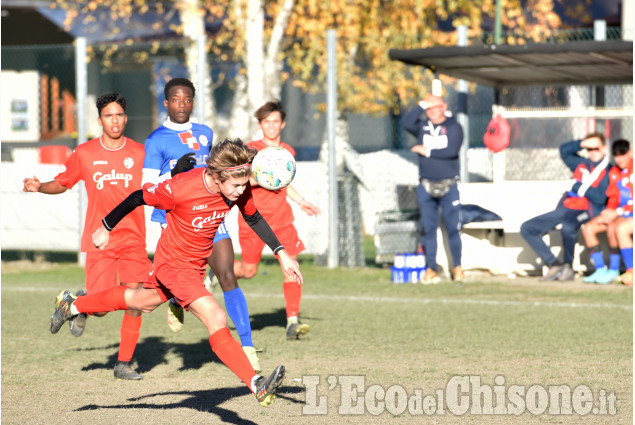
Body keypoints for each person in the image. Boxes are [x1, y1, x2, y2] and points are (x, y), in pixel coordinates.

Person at [50, 138, 298, 407]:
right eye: (236, 185)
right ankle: (256, 384)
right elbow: (138, 196)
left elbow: (253, 217)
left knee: (138, 301)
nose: (242, 190)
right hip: (173, 266)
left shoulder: (237, 186)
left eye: (243, 184)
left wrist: (281, 252)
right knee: (215, 316)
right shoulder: (181, 188)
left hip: (194, 266)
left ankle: (73, 306)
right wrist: (106, 227)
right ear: (216, 177)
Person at [24, 92, 151, 380]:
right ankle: (75, 301)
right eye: (109, 116)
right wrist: (39, 186)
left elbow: (159, 184)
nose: (114, 120)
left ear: (126, 118)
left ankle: (123, 364)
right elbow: (62, 183)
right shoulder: (85, 153)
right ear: (99, 120)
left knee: (137, 299)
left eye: (119, 115)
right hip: (100, 239)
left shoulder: (140, 153)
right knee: (102, 307)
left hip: (133, 238)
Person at [142, 78, 260, 371]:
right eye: (176, 100)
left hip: (209, 213)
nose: (182, 105)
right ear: (166, 103)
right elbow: (146, 187)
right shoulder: (155, 140)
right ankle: (174, 299)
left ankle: (247, 346)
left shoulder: (205, 132)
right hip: (174, 218)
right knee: (158, 292)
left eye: (187, 100)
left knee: (227, 274)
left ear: (193, 102)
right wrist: (174, 173)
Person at [233, 100, 320, 340]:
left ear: (283, 124)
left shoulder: (288, 152)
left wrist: (301, 201)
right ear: (260, 124)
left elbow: (284, 182)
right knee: (248, 271)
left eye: (275, 121)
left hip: (281, 220)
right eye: (266, 122)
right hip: (253, 220)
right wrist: (260, 179)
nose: (271, 126)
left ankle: (292, 321)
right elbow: (239, 182)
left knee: (291, 267)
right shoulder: (250, 150)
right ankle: (216, 273)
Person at [521, 132, 610, 281]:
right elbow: (564, 151)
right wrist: (582, 143)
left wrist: (576, 186)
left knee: (568, 227)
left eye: (596, 148)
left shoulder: (608, 170)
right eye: (590, 149)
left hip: (587, 209)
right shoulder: (582, 164)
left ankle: (568, 266)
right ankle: (554, 264)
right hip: (567, 207)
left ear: (604, 148)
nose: (593, 152)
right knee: (527, 228)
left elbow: (600, 198)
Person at [402, 94, 464, 284]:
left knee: (453, 228)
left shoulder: (454, 127)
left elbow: (452, 151)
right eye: (429, 109)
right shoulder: (422, 126)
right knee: (429, 229)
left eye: (435, 107)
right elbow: (406, 122)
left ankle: (457, 267)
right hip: (426, 185)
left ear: (444, 107)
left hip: (448, 185)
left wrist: (427, 151)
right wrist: (421, 104)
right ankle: (431, 269)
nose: (432, 111)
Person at [582, 139, 632, 284]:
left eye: (623, 154)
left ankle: (629, 271)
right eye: (616, 155)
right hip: (620, 213)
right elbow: (613, 197)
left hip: (628, 214)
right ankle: (601, 270)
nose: (619, 159)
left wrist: (618, 212)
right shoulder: (614, 171)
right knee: (589, 228)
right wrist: (609, 212)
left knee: (618, 228)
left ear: (630, 153)